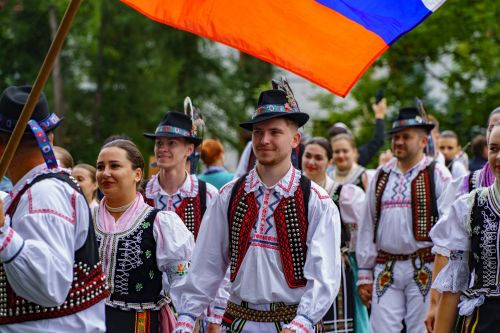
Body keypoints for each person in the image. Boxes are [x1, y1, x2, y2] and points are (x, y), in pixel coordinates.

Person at [174, 87, 342, 333]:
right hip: (237, 322)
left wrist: (302, 322)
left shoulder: (316, 201)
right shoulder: (230, 195)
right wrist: (187, 316)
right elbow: (207, 262)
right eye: (258, 132)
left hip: (291, 324)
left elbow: (324, 273)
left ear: (295, 140)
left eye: (275, 132)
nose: (264, 140)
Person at [0, 85, 108, 332]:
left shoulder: (43, 194)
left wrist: (3, 234)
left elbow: (51, 285)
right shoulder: (34, 190)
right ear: (49, 138)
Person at [356, 107, 452, 333]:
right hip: (386, 268)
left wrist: (444, 274)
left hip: (425, 266)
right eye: (396, 137)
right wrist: (364, 274)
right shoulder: (380, 175)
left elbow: (449, 231)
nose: (398, 142)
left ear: (422, 141)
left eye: (406, 137)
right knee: (381, 330)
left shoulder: (438, 174)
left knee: (422, 329)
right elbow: (367, 225)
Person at [94, 138, 194, 332]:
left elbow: (181, 280)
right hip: (90, 322)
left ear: (137, 174)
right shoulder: (85, 219)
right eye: (100, 167)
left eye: (114, 166)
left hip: (139, 325)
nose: (105, 173)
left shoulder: (160, 223)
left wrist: (186, 320)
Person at [143, 111, 224, 330]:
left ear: (190, 149)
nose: (162, 149)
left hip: (195, 309)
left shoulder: (207, 195)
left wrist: (217, 317)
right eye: (159, 143)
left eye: (171, 143)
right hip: (148, 306)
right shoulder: (141, 194)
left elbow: (219, 258)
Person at [424, 106, 500, 332]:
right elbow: (454, 284)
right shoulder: (469, 207)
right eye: (494, 148)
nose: (499, 156)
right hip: (485, 321)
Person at [302, 137, 369, 333]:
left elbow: (363, 233)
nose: (312, 162)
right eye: (308, 156)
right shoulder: (293, 191)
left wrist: (362, 269)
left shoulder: (344, 194)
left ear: (329, 162)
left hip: (335, 270)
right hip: (299, 269)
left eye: (318, 158)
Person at [327, 97, 387, 167]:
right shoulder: (323, 162)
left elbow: (378, 140)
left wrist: (379, 116)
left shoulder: (360, 157)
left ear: (354, 152)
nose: (341, 156)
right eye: (337, 151)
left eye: (345, 151)